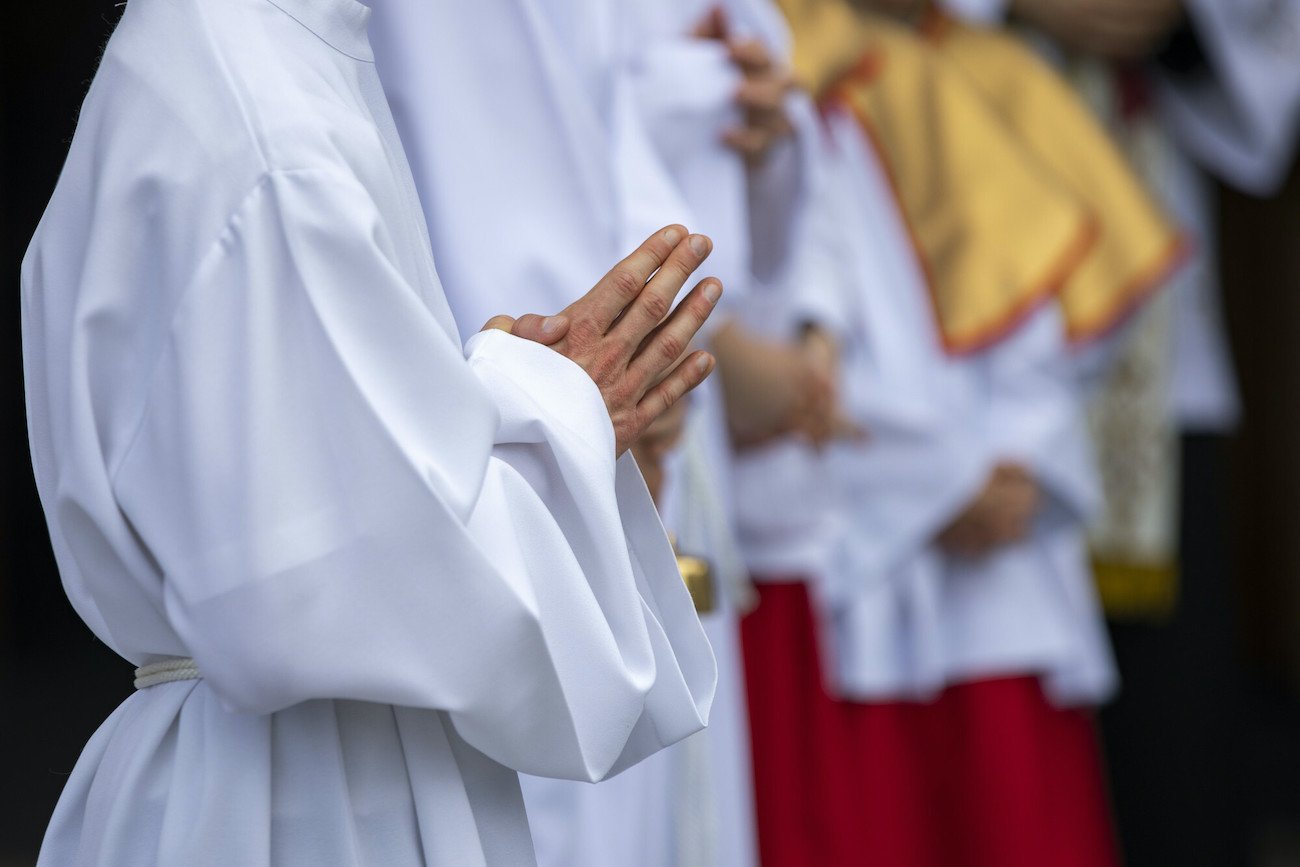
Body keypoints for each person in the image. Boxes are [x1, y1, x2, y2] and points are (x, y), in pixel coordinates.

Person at [22, 0, 724, 863]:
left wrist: (468, 405)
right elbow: (317, 589)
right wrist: (558, 412)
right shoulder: (257, 108)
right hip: (301, 808)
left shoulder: (274, 53)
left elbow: (310, 484)